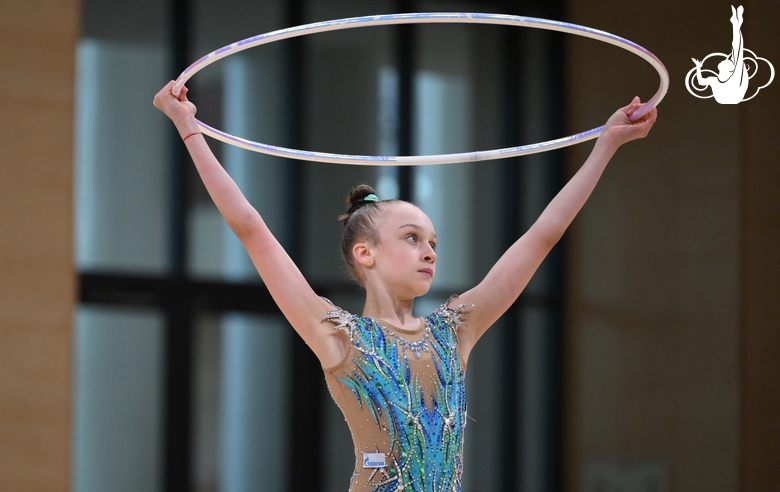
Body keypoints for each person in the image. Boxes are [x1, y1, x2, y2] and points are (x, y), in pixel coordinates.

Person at [153, 81, 657, 491]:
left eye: (433, 241)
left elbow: (542, 237)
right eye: (412, 238)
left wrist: (605, 145)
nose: (430, 251)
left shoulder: (455, 329)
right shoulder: (336, 335)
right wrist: (188, 128)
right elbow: (250, 228)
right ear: (364, 254)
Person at [692, 5, 748, 104]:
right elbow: (701, 82)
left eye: (728, 61)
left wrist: (736, 26)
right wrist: (698, 67)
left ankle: (736, 23)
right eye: (728, 60)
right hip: (725, 98)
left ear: (730, 69)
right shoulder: (714, 80)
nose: (725, 59)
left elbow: (737, 48)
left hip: (733, 96)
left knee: (737, 50)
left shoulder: (735, 77)